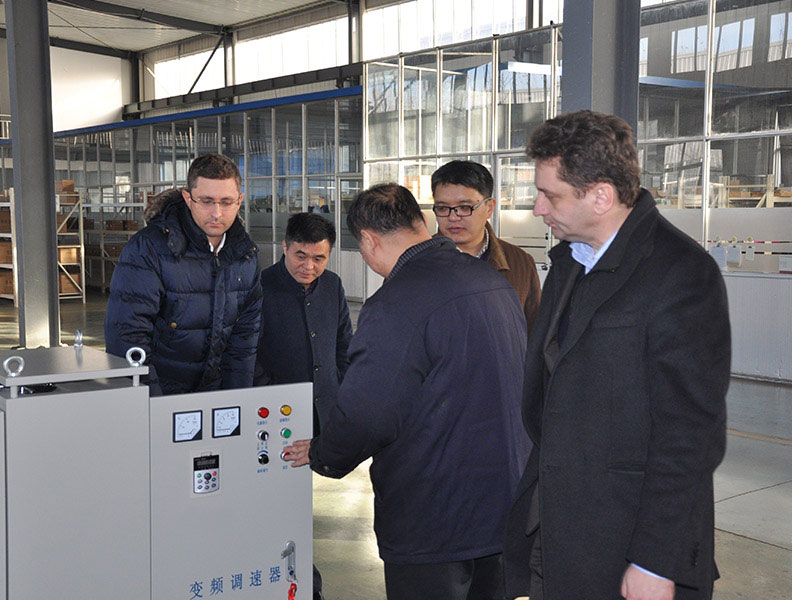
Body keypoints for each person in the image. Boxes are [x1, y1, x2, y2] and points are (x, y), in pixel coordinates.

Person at [502, 110, 731, 600]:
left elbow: (690, 435)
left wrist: (654, 560)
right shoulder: (570, 260)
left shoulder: (682, 273)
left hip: (627, 541)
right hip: (560, 529)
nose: (538, 208)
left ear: (600, 196)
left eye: (550, 195)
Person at [283, 183, 529, 600]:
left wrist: (325, 452)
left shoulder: (396, 302)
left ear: (369, 240)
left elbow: (368, 413)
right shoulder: (491, 281)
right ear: (421, 222)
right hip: (503, 504)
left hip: (435, 515)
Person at [105, 153, 262, 395]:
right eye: (207, 201)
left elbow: (245, 340)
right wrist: (153, 404)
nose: (217, 213)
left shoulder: (245, 256)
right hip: (161, 395)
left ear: (239, 201)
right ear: (188, 199)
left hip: (216, 399)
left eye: (226, 202)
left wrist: (237, 401)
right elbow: (127, 336)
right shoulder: (149, 249)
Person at [254, 212, 352, 435]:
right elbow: (248, 352)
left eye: (319, 259)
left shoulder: (332, 285)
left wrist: (339, 385)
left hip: (327, 408)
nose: (308, 266)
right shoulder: (260, 287)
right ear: (285, 247)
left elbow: (344, 342)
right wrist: (269, 392)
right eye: (301, 256)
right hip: (277, 409)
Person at [431, 160, 541, 334]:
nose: (453, 217)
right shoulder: (414, 263)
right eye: (443, 208)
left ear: (489, 208)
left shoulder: (520, 263)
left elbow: (535, 333)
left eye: (464, 207)